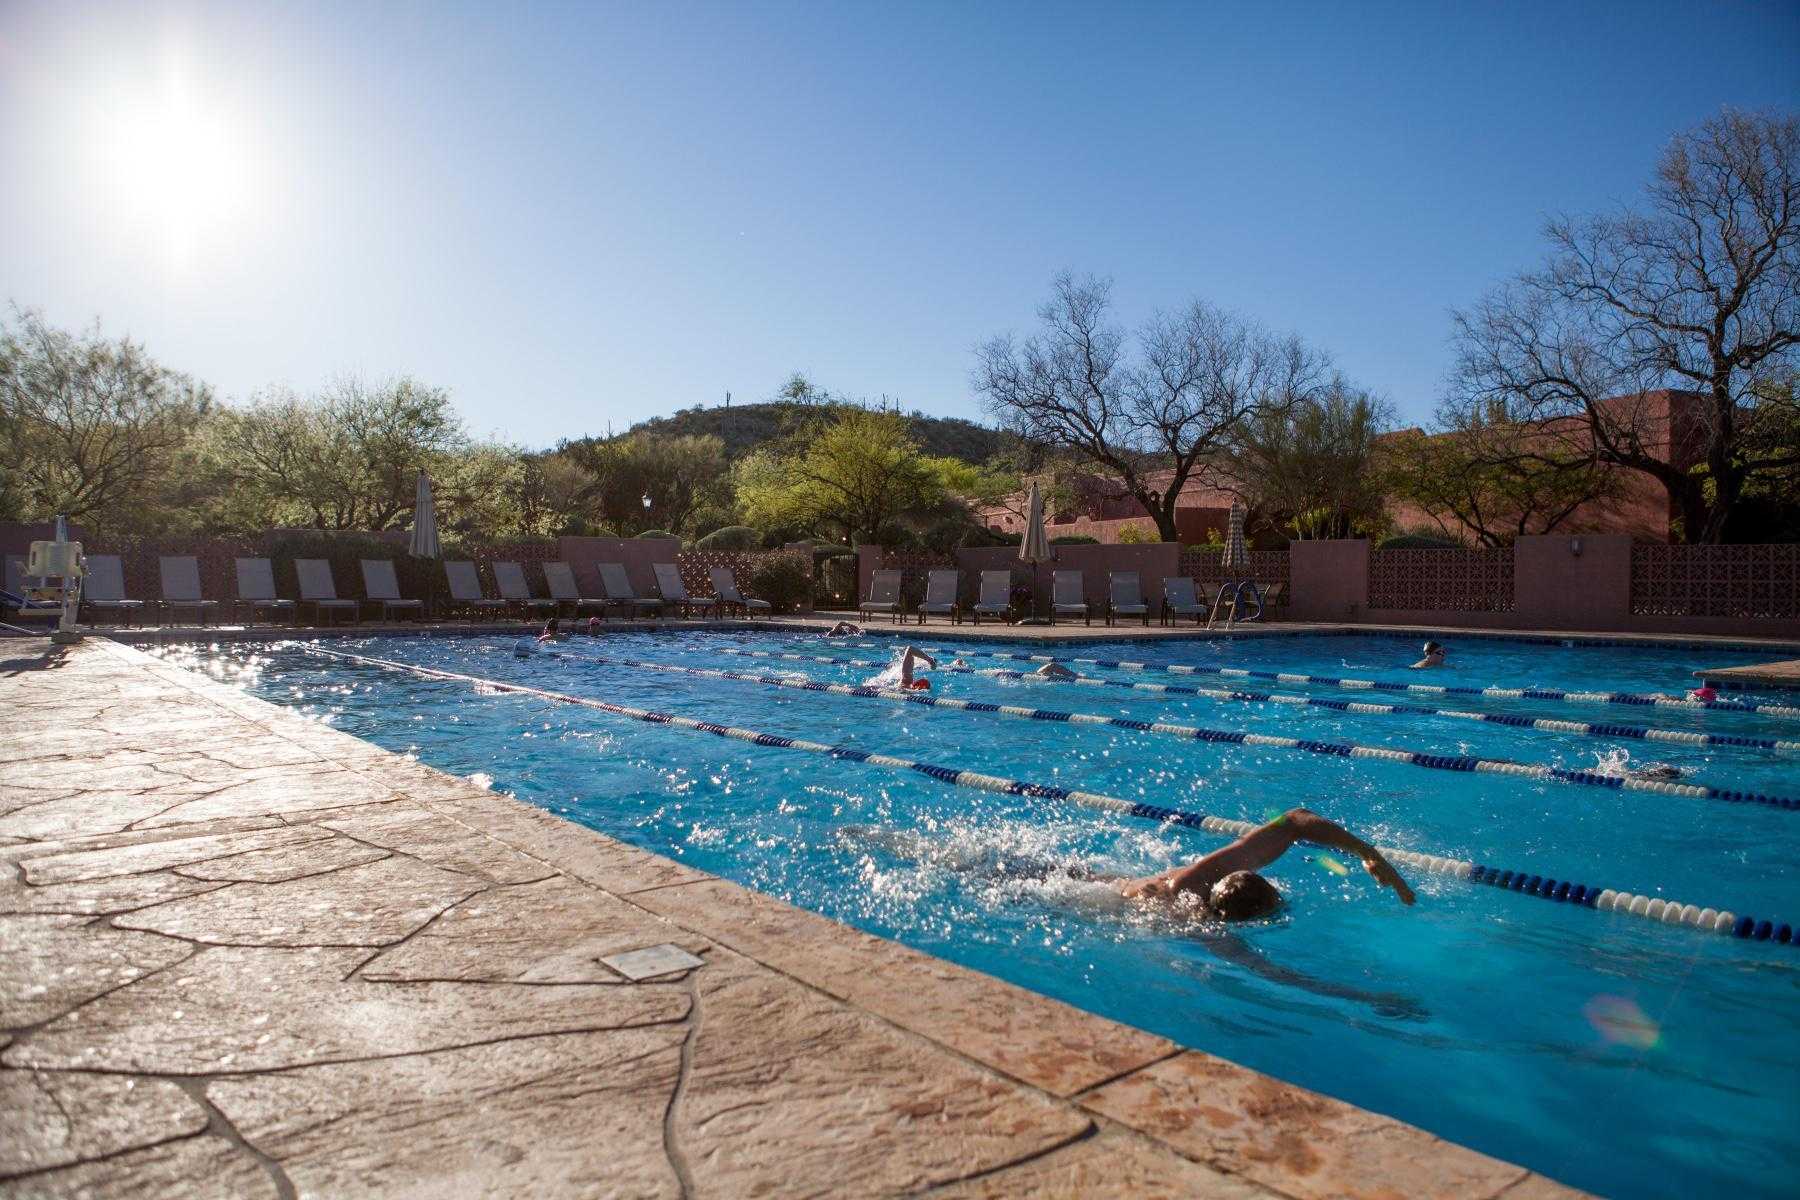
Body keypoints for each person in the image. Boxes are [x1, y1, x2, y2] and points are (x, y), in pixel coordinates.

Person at [1116, 808, 1414, 919]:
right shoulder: (1189, 891)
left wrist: (1368, 853)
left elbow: (1295, 820)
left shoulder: (1207, 878)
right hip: (1098, 897)